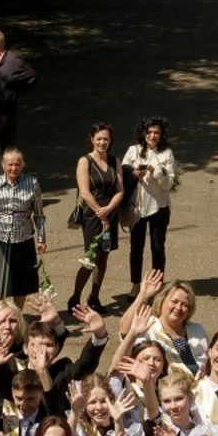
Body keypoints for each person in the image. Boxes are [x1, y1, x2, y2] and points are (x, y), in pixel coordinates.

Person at [69, 124, 124, 314]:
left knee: (104, 257)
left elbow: (120, 190)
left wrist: (108, 209)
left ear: (110, 141)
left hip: (111, 213)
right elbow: (84, 191)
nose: (102, 142)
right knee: (90, 257)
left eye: (106, 139)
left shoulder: (114, 160)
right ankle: (75, 297)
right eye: (99, 138)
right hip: (92, 215)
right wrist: (100, 212)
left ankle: (94, 297)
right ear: (92, 139)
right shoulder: (85, 161)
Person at [121, 118, 177, 298]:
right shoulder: (133, 151)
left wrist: (155, 170)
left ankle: (157, 285)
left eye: (156, 133)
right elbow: (121, 176)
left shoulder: (167, 154)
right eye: (149, 132)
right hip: (137, 207)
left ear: (161, 136)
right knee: (136, 247)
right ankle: (135, 284)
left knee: (158, 247)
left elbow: (169, 184)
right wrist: (134, 174)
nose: (152, 136)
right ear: (144, 134)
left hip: (159, 207)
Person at [0, 148, 45, 305]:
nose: (13, 168)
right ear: (3, 165)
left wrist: (41, 239)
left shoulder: (32, 183)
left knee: (21, 286)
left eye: (17, 164)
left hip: (23, 238)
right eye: (10, 164)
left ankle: (18, 318)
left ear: (22, 165)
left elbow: (39, 215)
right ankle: (0, 318)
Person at [0, 29, 38, 172]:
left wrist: (14, 92)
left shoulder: (13, 62)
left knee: (4, 149)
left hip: (4, 116)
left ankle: (5, 180)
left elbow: (33, 77)